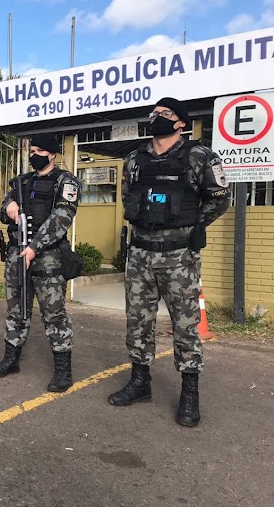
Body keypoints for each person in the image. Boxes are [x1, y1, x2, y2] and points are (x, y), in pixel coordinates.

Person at [108, 97, 230, 427]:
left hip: (179, 257)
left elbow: (220, 198)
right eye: (154, 113)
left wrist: (193, 226)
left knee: (185, 326)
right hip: (141, 254)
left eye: (165, 114)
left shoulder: (200, 156)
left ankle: (190, 393)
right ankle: (140, 381)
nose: (156, 117)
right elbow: (128, 196)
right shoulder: (134, 158)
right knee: (137, 321)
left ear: (180, 123)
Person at [0, 133, 81, 392]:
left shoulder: (66, 182)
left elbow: (61, 219)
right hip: (17, 254)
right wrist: (10, 206)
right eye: (32, 150)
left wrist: (33, 248)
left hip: (48, 256)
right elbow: (3, 211)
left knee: (54, 314)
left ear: (52, 154)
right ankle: (11, 359)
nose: (34, 154)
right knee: (16, 311)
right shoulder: (20, 182)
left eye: (40, 150)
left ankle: (63, 371)